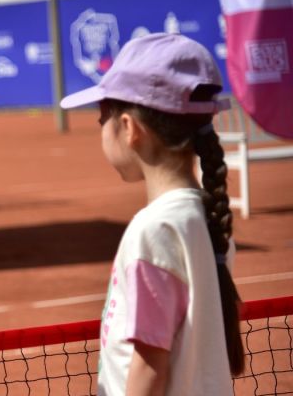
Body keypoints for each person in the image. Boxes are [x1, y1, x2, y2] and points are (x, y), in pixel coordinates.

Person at [60, 33, 244, 395]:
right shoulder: (206, 217)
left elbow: (150, 368)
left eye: (102, 118)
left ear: (129, 128)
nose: (100, 128)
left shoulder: (154, 230)